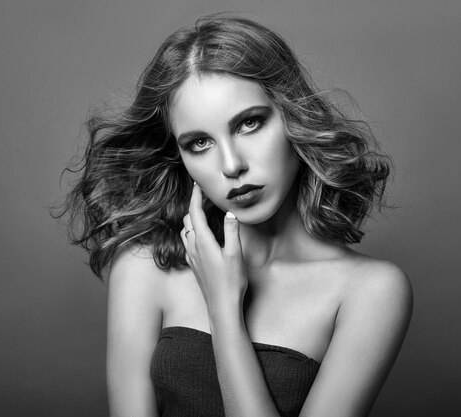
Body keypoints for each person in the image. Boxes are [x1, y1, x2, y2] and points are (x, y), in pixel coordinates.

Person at [61, 13, 412, 417]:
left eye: (249, 123)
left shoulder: (370, 292)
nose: (231, 165)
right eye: (199, 143)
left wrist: (224, 309)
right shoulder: (144, 268)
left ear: (293, 117)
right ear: (180, 157)